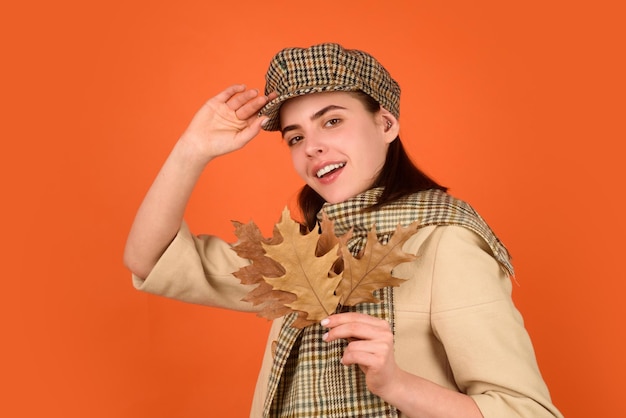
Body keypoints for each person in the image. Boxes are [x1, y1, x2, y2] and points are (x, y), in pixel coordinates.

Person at [124, 43, 563, 417]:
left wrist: (397, 384)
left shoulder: (445, 242)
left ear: (386, 124)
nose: (312, 146)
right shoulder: (305, 254)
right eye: (295, 137)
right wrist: (191, 151)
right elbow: (151, 258)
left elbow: (525, 410)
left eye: (332, 121)